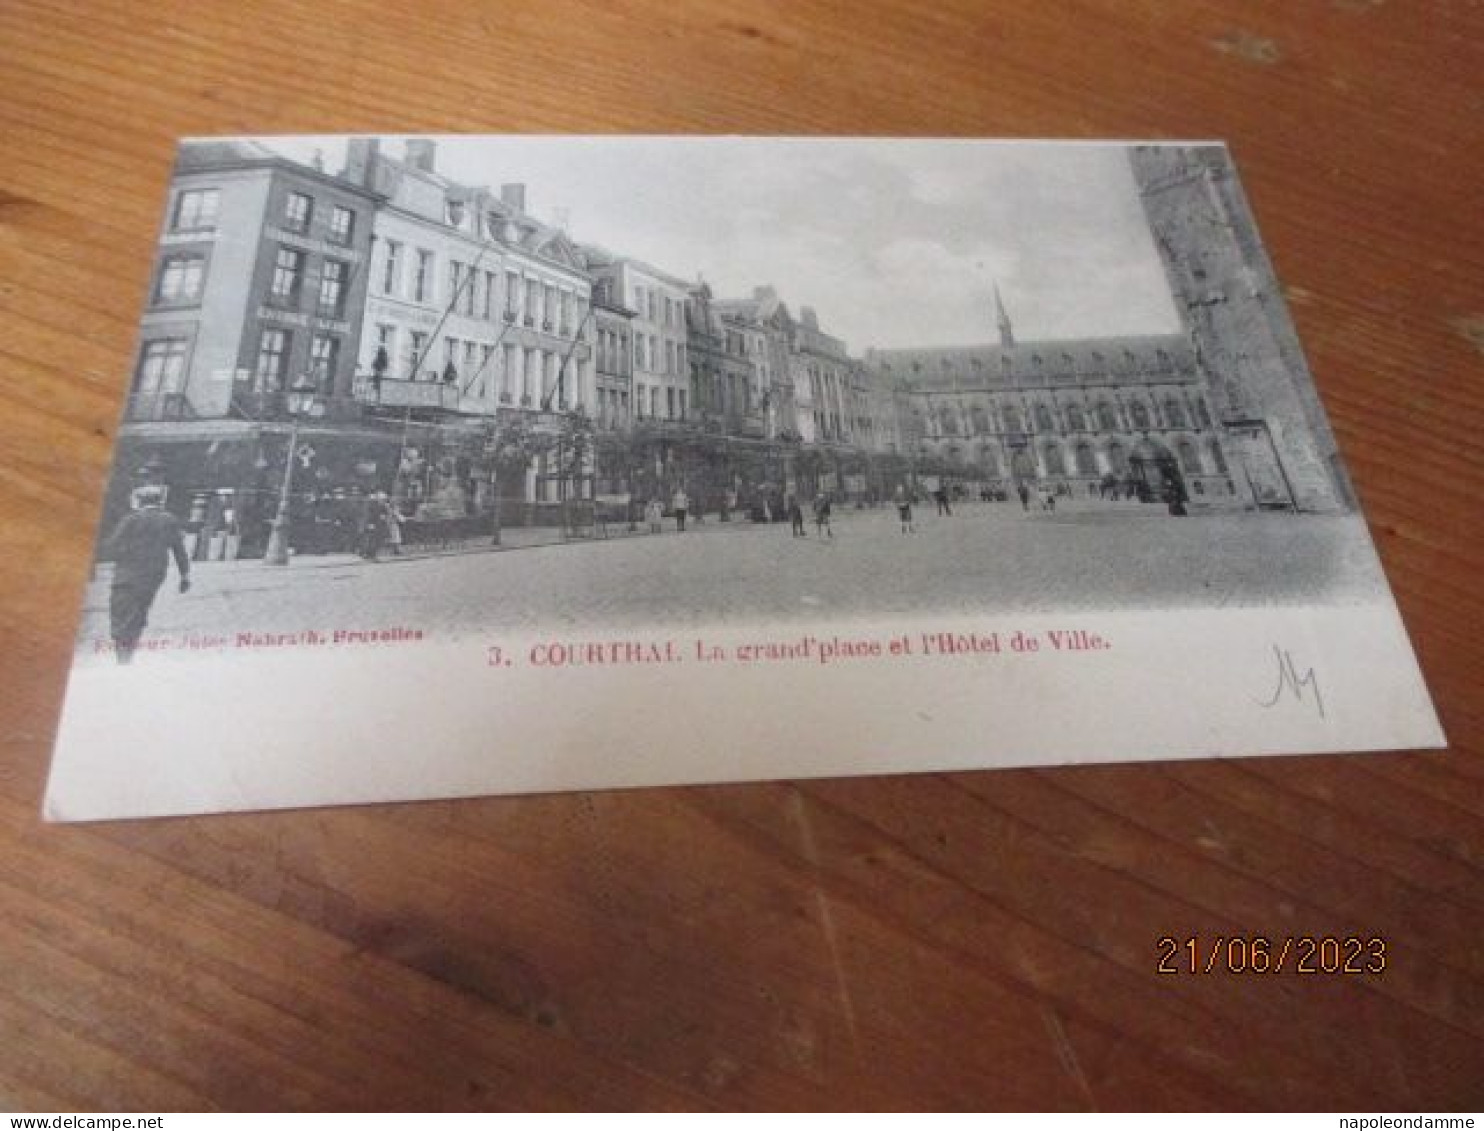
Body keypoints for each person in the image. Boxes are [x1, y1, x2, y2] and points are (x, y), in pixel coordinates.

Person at [105, 486, 190, 664]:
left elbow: (112, 547)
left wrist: (126, 553)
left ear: (140, 500)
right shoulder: (169, 519)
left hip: (128, 576)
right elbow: (179, 550)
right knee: (139, 613)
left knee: (120, 614)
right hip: (154, 576)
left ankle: (122, 660)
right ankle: (129, 655)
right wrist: (185, 576)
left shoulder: (131, 520)